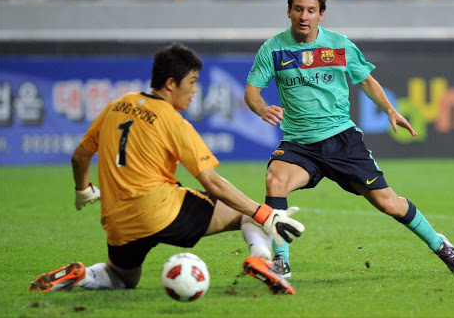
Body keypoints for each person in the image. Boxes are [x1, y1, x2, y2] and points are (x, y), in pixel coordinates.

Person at [28, 43, 304, 295]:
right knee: (250, 215)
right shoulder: (173, 122)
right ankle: (263, 260)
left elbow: (79, 157)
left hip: (118, 220)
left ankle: (81, 275)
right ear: (171, 83)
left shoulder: (117, 105)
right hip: (161, 211)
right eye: (192, 82)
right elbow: (213, 182)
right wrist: (265, 214)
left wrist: (82, 190)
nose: (196, 90)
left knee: (122, 277)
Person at [244, 0, 454, 277]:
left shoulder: (339, 45)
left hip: (341, 141)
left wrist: (390, 110)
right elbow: (251, 91)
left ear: (321, 15)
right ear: (288, 11)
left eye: (311, 10)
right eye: (298, 9)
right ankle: (281, 261)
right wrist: (261, 108)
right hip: (299, 144)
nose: (304, 16)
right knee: (275, 180)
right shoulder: (272, 50)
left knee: (389, 204)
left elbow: (366, 80)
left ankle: (439, 244)